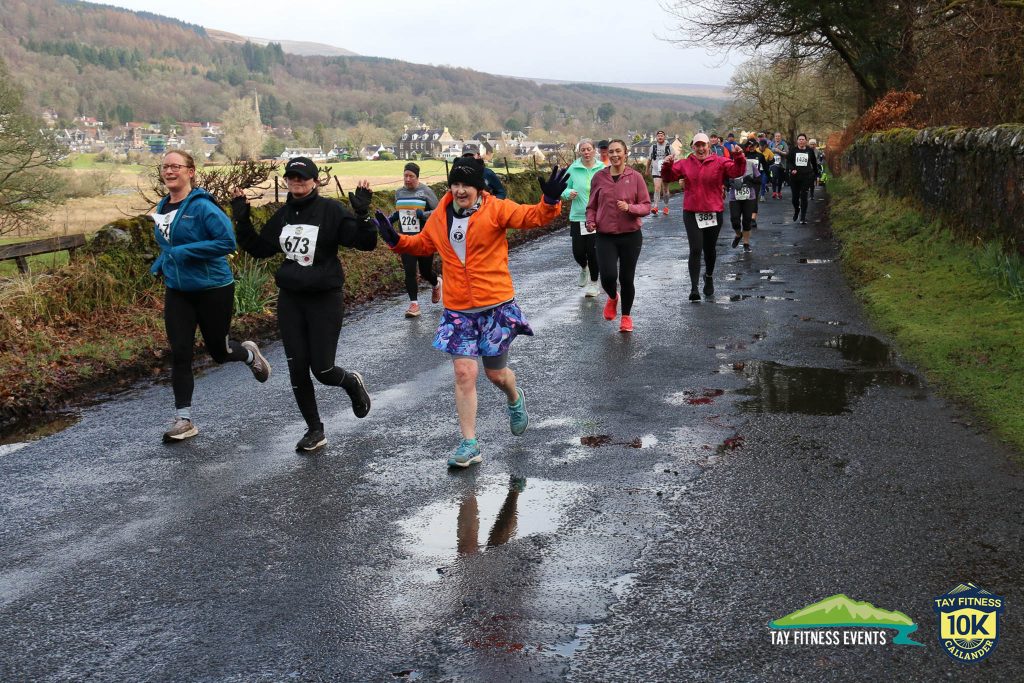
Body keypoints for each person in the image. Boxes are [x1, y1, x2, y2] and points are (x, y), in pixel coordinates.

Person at [373, 157, 568, 468]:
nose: (460, 190)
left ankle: (514, 397)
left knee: (496, 374)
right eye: (455, 184)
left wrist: (550, 201)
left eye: (466, 185)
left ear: (479, 187)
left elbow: (532, 216)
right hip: (459, 309)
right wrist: (396, 240)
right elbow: (424, 244)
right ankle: (469, 443)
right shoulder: (441, 214)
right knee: (464, 373)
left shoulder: (496, 209)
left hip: (495, 305)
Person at [230, 157, 376, 453]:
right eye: (292, 177)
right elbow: (259, 249)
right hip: (291, 299)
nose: (296, 181)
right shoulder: (284, 214)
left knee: (322, 369)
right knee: (297, 368)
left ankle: (351, 382)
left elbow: (365, 243)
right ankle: (314, 430)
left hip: (325, 297)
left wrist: (362, 214)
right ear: (286, 180)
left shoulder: (330, 210)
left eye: (302, 177)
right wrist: (242, 219)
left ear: (315, 181)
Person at [150, 150, 271, 443]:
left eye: (176, 166)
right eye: (165, 167)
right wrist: (162, 262)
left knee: (219, 352)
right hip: (178, 291)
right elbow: (169, 245)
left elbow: (226, 242)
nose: (169, 171)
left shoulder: (203, 207)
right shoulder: (163, 207)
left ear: (190, 172)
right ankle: (184, 419)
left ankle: (249, 354)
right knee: (180, 352)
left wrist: (184, 252)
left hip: (213, 288)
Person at [661, 133, 746, 302]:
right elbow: (668, 177)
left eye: (703, 145)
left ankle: (708, 276)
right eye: (697, 145)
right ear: (693, 147)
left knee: (709, 249)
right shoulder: (685, 163)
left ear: (709, 146)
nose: (700, 149)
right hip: (692, 212)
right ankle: (694, 288)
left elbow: (737, 171)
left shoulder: (720, 162)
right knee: (695, 249)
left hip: (713, 211)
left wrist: (739, 156)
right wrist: (667, 165)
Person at [585, 139, 651, 333]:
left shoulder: (636, 177)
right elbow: (591, 206)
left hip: (631, 235)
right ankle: (613, 297)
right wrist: (590, 221)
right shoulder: (599, 177)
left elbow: (646, 206)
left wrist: (630, 208)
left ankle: (626, 317)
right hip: (605, 235)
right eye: (611, 151)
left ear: (625, 153)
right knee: (608, 276)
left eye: (618, 151)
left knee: (627, 278)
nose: (614, 155)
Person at [389, 162, 441, 318]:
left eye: (411, 176)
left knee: (425, 272)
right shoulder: (399, 193)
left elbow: (438, 212)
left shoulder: (426, 192)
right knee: (409, 271)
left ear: (417, 177)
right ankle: (414, 304)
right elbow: (400, 212)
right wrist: (393, 218)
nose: (407, 179)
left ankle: (436, 283)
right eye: (405, 176)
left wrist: (423, 215)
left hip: (424, 238)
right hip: (405, 238)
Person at [562, 139, 605, 297]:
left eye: (589, 149)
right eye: (583, 150)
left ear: (594, 150)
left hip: (597, 216)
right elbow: (563, 188)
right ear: (579, 152)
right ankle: (584, 268)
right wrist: (568, 193)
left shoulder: (602, 168)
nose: (586, 152)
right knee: (578, 252)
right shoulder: (573, 168)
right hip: (578, 216)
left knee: (593, 252)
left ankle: (594, 284)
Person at [729, 139, 762, 253]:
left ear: (744, 153)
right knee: (735, 220)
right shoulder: (729, 165)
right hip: (735, 197)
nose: (739, 154)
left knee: (747, 220)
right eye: (736, 152)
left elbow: (759, 180)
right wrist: (730, 182)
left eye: (741, 152)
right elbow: (724, 180)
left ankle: (746, 244)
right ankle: (738, 235)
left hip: (749, 197)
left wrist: (750, 180)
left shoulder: (750, 164)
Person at [787, 134, 821, 224]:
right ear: (797, 141)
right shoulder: (793, 150)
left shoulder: (809, 150)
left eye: (803, 139)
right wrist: (792, 169)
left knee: (804, 196)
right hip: (795, 177)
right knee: (795, 198)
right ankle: (797, 209)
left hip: (806, 176)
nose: (801, 141)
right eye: (800, 139)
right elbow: (789, 162)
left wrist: (817, 175)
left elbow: (814, 163)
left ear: (806, 141)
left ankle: (803, 217)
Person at [645, 130, 672, 216]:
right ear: (656, 137)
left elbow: (674, 157)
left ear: (664, 137)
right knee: (657, 188)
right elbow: (649, 160)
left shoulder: (669, 146)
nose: (660, 137)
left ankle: (666, 206)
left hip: (666, 171)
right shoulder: (653, 147)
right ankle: (655, 207)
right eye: (658, 136)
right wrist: (647, 170)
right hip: (656, 170)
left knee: (665, 189)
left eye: (662, 136)